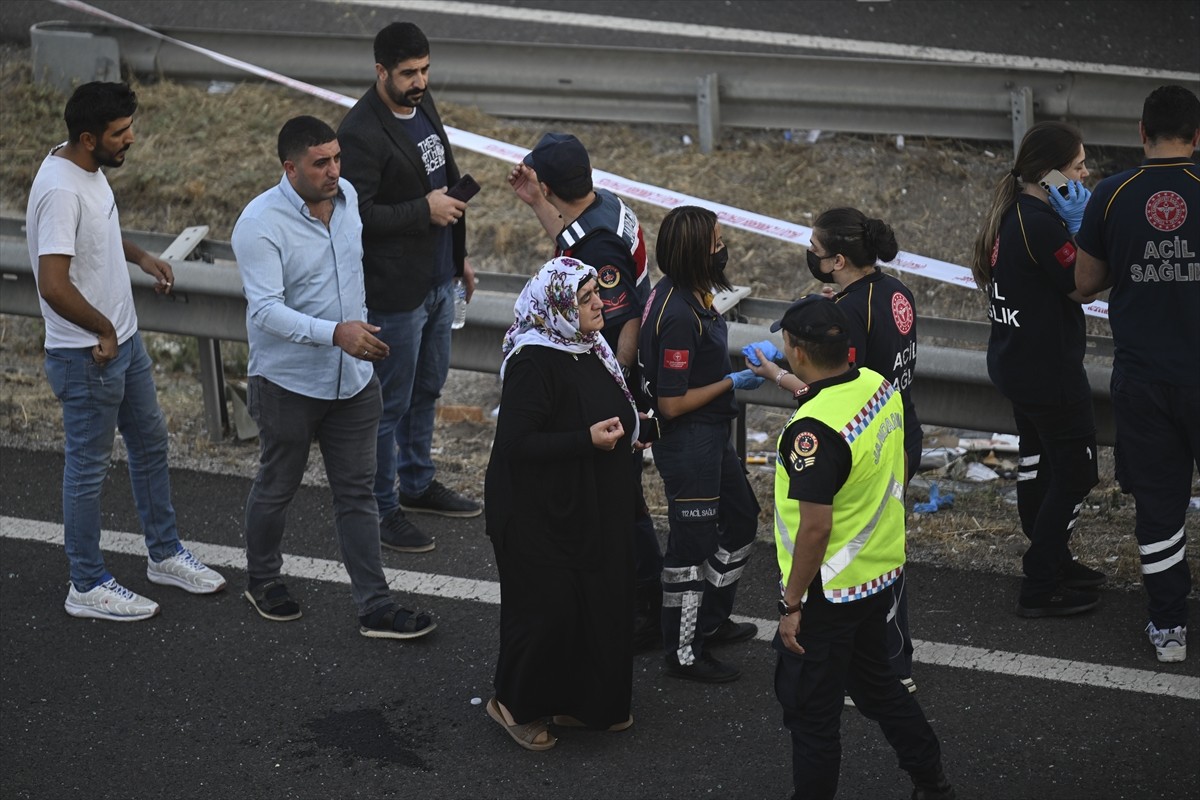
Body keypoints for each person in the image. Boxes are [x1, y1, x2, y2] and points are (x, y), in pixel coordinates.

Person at [25, 81, 225, 621]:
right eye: (120, 133)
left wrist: (139, 256)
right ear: (88, 138)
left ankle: (162, 555)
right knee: (88, 471)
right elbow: (52, 283)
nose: (131, 139)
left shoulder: (86, 170)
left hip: (122, 342)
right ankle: (86, 584)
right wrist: (103, 330)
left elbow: (95, 236)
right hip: (89, 355)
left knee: (150, 445)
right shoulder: (61, 189)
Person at [231, 115, 435, 640]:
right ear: (290, 167)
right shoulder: (260, 224)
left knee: (359, 494)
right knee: (278, 486)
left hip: (353, 381)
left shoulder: (346, 201)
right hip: (288, 385)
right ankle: (263, 578)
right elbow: (265, 311)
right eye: (320, 163)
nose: (334, 171)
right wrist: (333, 333)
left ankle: (375, 605)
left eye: (337, 158)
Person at [768, 295, 954, 800]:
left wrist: (791, 603)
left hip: (826, 594)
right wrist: (781, 379)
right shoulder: (876, 384)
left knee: (812, 717)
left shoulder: (810, 433)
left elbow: (813, 529)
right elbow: (833, 406)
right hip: (878, 577)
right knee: (881, 689)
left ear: (798, 351)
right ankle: (932, 782)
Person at [509, 132, 662, 650]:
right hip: (618, 369)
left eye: (538, 183)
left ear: (551, 182)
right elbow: (571, 239)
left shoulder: (599, 248)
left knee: (625, 500)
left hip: (619, 370)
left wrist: (608, 384)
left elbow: (624, 320)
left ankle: (646, 605)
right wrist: (536, 203)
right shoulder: (604, 207)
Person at [484, 257, 639, 751]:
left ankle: (585, 702)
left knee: (599, 601)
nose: (600, 302)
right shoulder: (533, 360)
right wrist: (585, 440)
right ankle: (513, 705)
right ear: (557, 306)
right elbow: (516, 445)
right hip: (536, 512)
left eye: (597, 292)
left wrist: (633, 431)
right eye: (586, 296)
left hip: (589, 502)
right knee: (548, 609)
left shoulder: (589, 345)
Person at [337, 21, 479, 556]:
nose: (419, 82)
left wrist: (459, 258)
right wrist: (425, 211)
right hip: (396, 292)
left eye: (424, 70)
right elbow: (360, 216)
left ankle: (417, 483)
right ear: (381, 72)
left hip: (440, 278)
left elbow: (444, 178)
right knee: (387, 405)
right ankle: (381, 506)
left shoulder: (422, 103)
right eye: (408, 74)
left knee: (428, 389)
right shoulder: (359, 134)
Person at [1075, 85, 1200, 663]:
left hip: (1143, 380)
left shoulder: (1110, 193)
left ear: (1141, 133)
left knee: (1158, 506)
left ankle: (1169, 626)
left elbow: (1084, 284)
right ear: (1198, 138)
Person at [969, 121, 1106, 619]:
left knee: (1039, 463)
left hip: (1016, 364)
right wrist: (1084, 231)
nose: (1085, 172)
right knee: (1076, 472)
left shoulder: (1013, 212)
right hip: (1048, 372)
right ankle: (1041, 579)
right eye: (1076, 166)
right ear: (1049, 175)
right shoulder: (1042, 223)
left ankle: (1056, 561)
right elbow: (1082, 287)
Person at [638, 205, 761, 683]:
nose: (723, 246)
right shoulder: (676, 315)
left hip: (711, 433)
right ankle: (684, 651)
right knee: (692, 545)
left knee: (742, 519)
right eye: (716, 241)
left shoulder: (694, 294)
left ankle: (710, 620)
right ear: (694, 251)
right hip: (688, 441)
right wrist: (732, 381)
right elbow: (670, 404)